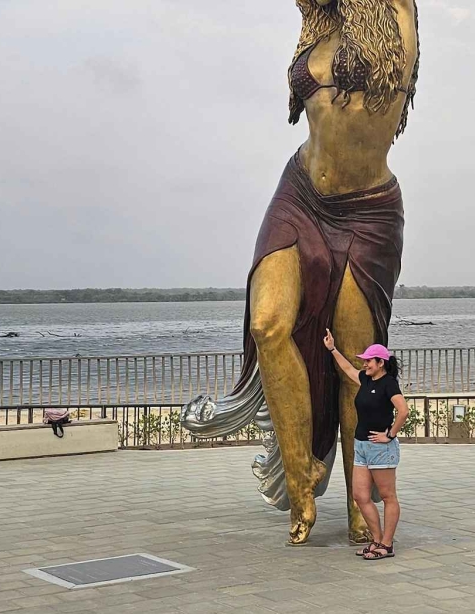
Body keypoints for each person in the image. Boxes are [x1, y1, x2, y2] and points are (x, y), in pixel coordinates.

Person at [181, 0, 420, 546]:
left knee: (355, 363)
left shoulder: (396, 13)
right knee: (268, 323)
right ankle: (302, 480)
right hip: (300, 194)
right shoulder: (320, 26)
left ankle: (359, 500)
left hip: (368, 210)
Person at [324, 331, 408, 559]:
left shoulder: (389, 384)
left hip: (381, 448)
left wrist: (389, 435)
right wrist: (332, 349)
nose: (365, 364)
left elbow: (403, 411)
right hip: (360, 445)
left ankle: (387, 544)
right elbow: (348, 369)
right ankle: (377, 539)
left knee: (388, 496)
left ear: (381, 363)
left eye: (369, 361)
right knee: (360, 496)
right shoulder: (366, 379)